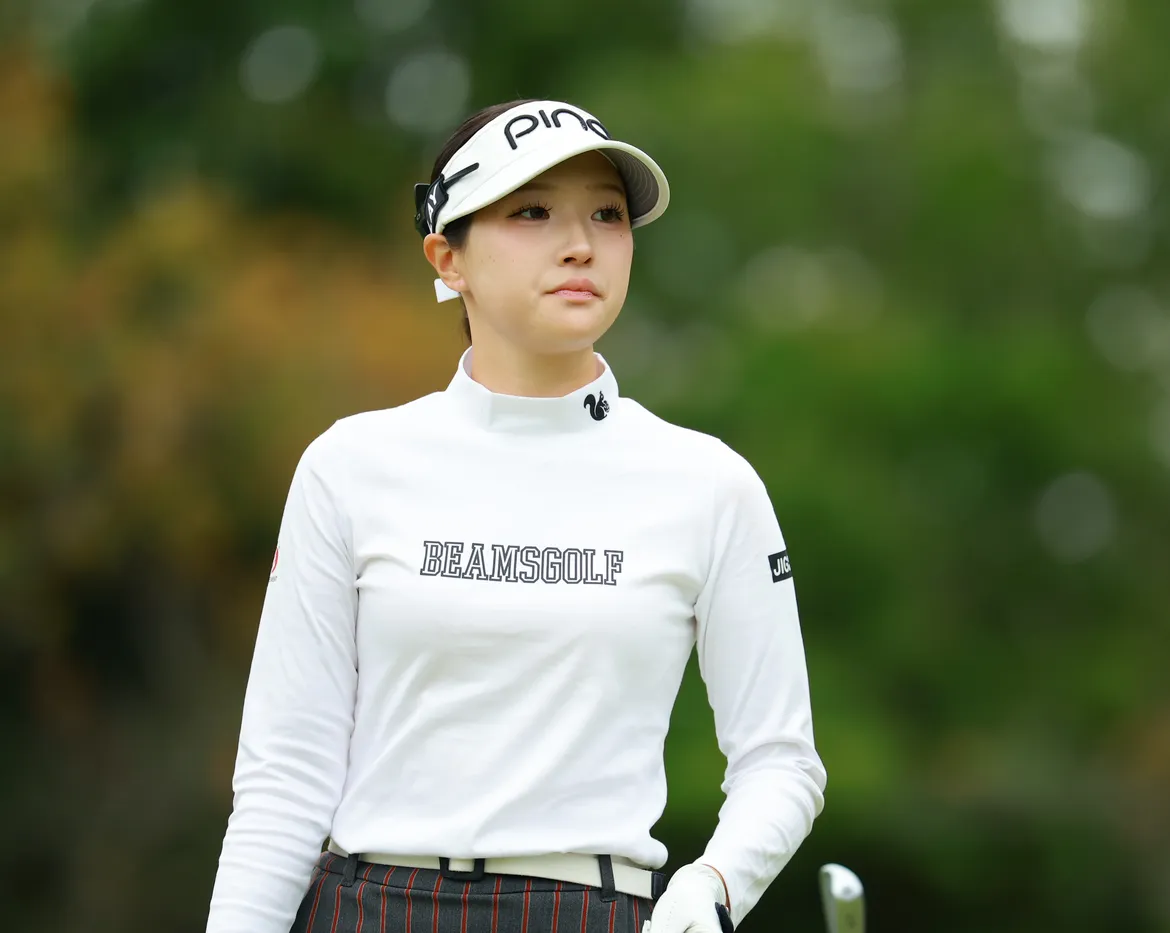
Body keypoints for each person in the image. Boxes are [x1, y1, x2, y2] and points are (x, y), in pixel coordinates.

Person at [205, 97, 826, 933]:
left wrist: (711, 885)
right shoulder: (349, 466)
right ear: (447, 257)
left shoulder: (709, 483)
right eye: (532, 212)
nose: (580, 244)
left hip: (590, 910)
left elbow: (780, 761)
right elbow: (284, 775)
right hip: (366, 907)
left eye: (607, 215)